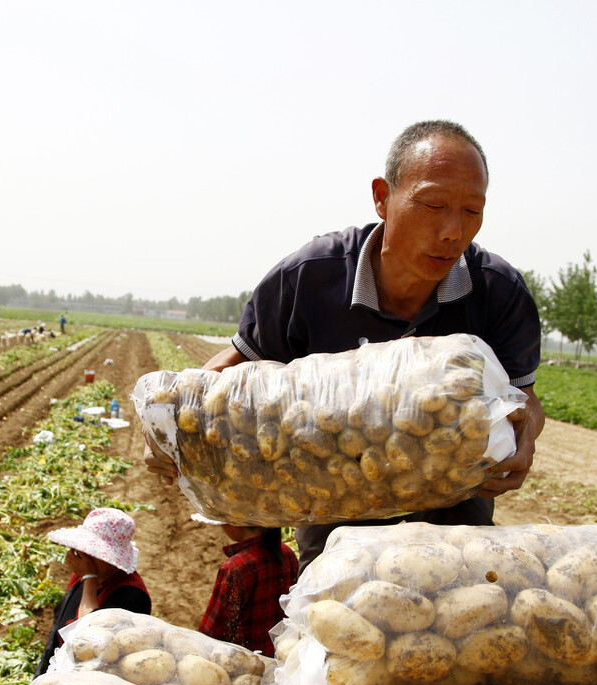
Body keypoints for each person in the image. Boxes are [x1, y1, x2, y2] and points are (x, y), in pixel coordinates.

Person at [145, 120, 545, 570]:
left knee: (455, 623)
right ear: (382, 197)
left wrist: (526, 434)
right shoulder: (309, 277)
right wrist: (170, 422)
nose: (454, 230)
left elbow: (523, 398)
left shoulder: (499, 291)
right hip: (335, 512)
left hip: (452, 516)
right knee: (336, 624)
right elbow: (237, 369)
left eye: (473, 210)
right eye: (434, 205)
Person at [36, 508, 151, 676]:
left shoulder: (131, 596)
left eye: (93, 552)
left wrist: (89, 577)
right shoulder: (85, 577)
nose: (85, 556)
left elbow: (89, 637)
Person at [196, 515, 298, 655]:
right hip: (281, 657)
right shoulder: (287, 553)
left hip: (246, 664)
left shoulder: (236, 567)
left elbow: (213, 632)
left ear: (234, 523)